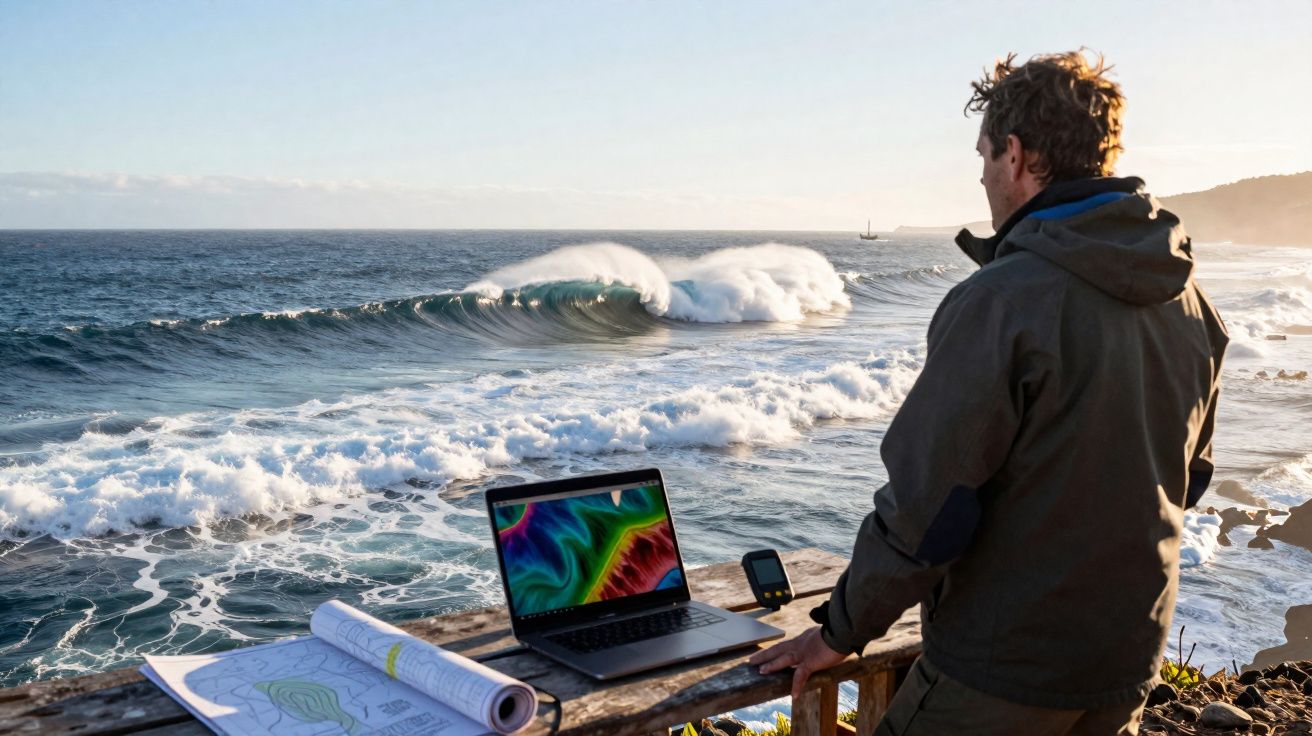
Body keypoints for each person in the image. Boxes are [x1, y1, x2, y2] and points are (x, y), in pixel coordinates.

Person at [749, 50, 1229, 735]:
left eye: (983, 156)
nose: (980, 177)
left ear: (1015, 153)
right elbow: (1191, 476)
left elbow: (928, 507)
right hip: (1126, 656)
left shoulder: (1002, 301)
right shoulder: (1187, 298)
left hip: (1005, 668)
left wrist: (841, 630)